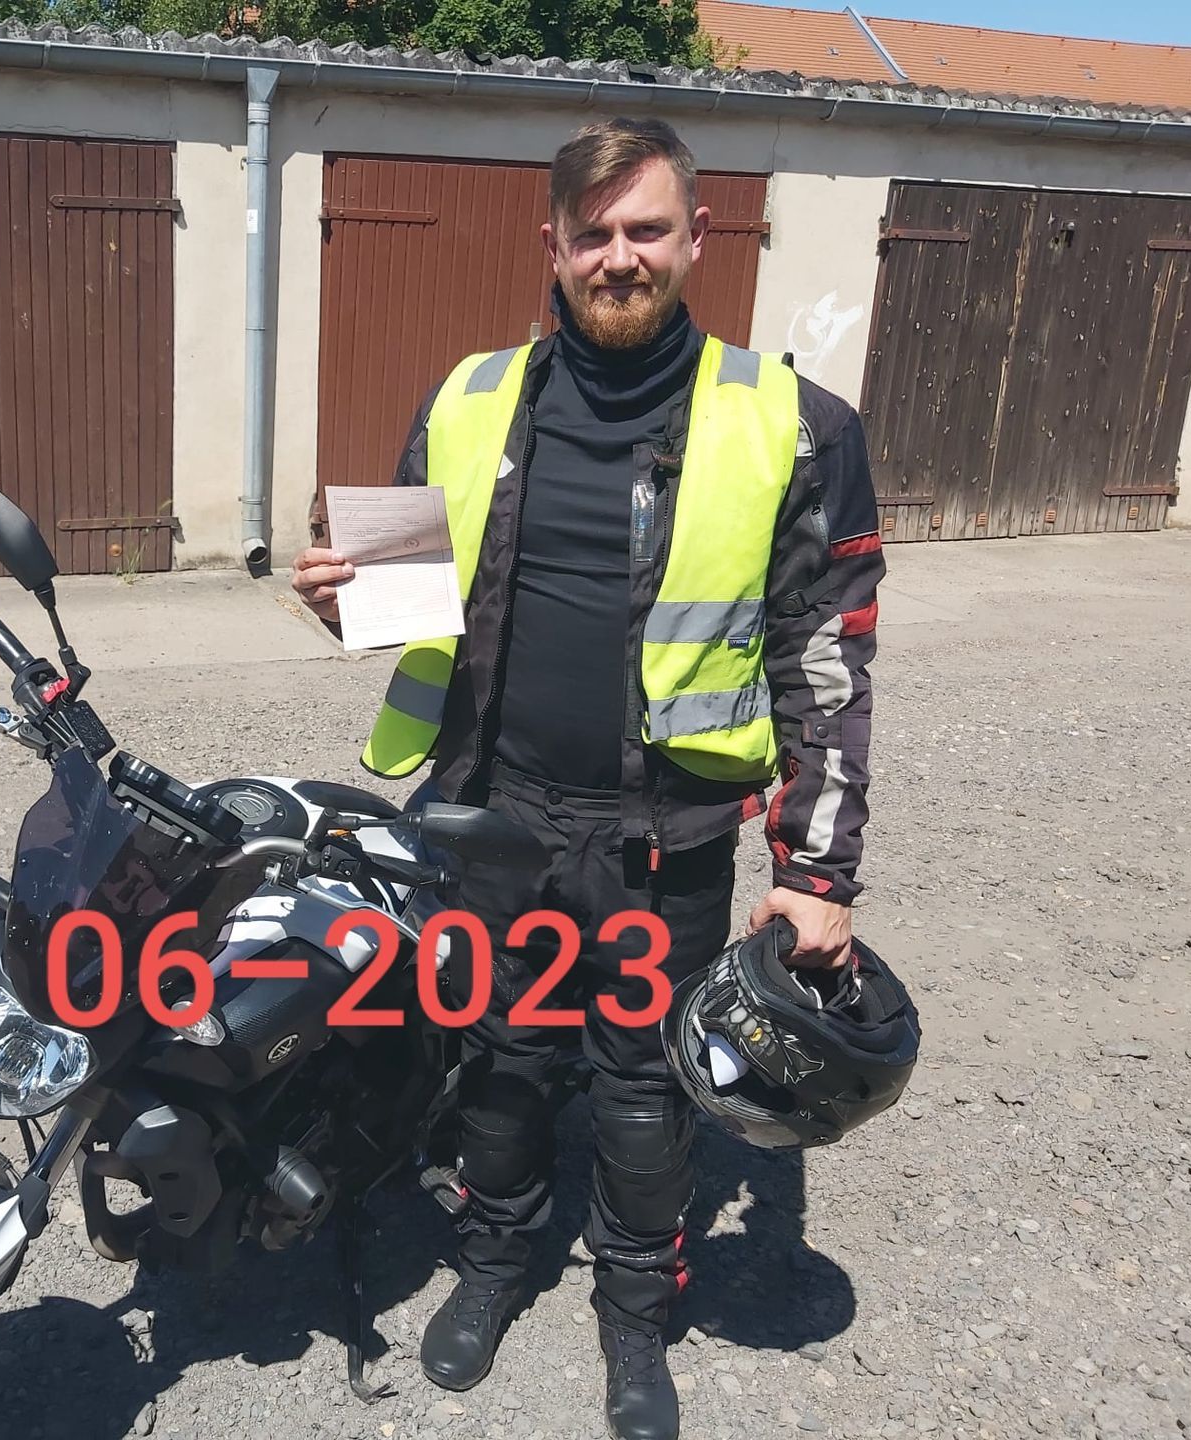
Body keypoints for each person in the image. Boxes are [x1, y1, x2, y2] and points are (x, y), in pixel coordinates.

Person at [290, 117, 885, 1440]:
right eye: (594, 234)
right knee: (497, 1056)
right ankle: (496, 1261)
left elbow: (828, 662)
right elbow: (407, 600)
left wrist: (816, 874)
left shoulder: (796, 426)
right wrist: (340, 601)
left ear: (697, 238)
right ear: (553, 246)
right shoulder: (466, 398)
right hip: (491, 815)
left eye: (646, 230)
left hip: (661, 836)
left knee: (644, 1080)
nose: (621, 257)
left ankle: (634, 1310)